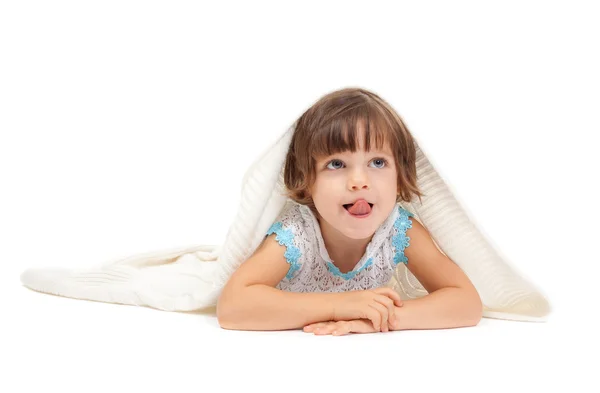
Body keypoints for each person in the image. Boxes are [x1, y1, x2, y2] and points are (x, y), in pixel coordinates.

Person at [216, 87, 483, 335]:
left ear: (400, 176)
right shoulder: (297, 235)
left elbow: (466, 302)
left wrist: (380, 318)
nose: (359, 181)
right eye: (336, 164)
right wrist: (339, 305)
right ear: (307, 181)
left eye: (377, 162)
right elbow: (232, 307)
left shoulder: (398, 229)